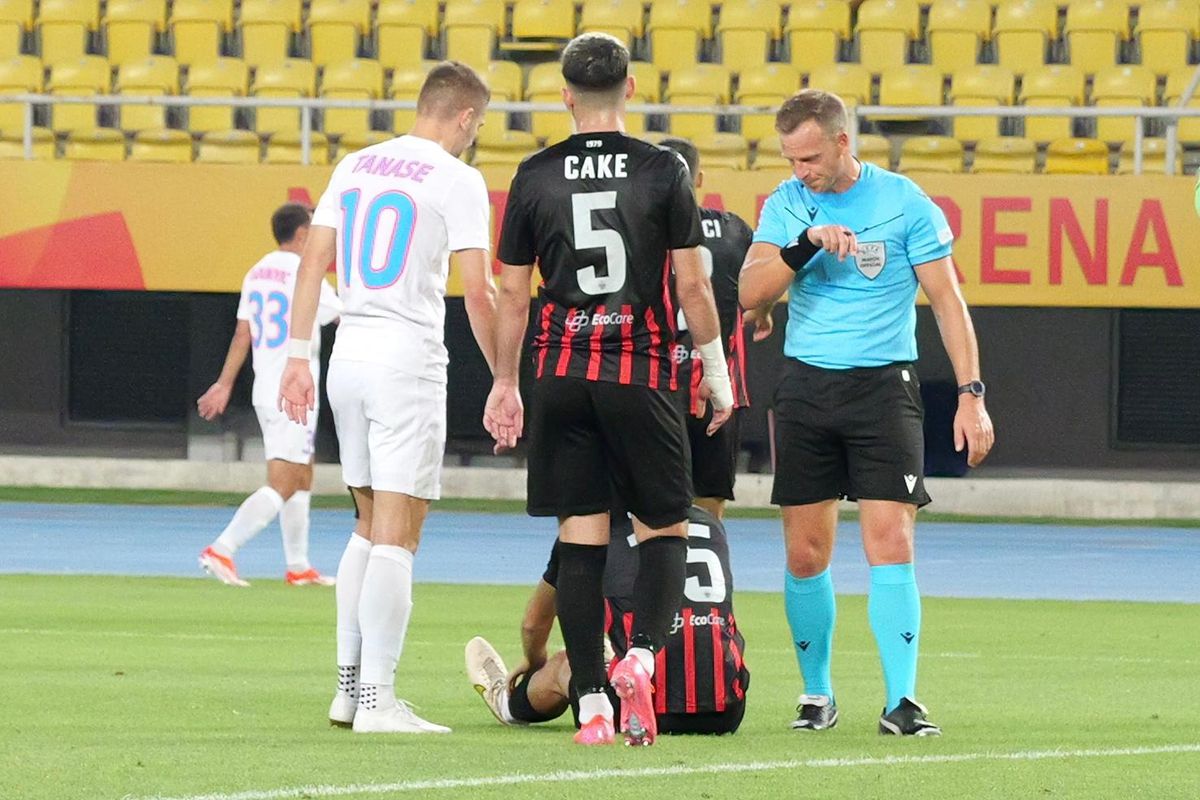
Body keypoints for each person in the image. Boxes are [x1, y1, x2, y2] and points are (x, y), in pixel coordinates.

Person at [482, 32, 735, 746]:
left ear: (564, 95)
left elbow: (512, 292)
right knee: (665, 529)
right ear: (630, 90)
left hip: (560, 375)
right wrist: (716, 377)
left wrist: (506, 381)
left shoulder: (533, 174)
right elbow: (691, 284)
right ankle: (643, 661)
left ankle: (590, 702)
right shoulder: (662, 171)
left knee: (581, 539)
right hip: (641, 372)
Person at [737, 89, 995, 737]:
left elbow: (947, 301)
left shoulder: (904, 202)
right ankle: (816, 695)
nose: (802, 171)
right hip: (805, 389)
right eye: (792, 159)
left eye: (811, 157)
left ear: (842, 142)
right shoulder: (786, 203)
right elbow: (748, 293)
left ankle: (902, 701)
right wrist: (803, 245)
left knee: (892, 542)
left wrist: (972, 393)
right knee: (805, 553)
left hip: (885, 390)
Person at [278, 62, 498, 734]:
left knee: (366, 527)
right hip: (406, 361)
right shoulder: (458, 179)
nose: (474, 137)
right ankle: (379, 699)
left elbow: (312, 264)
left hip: (348, 353)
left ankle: (348, 690)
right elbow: (478, 290)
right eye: (478, 126)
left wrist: (296, 356)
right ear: (463, 116)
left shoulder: (356, 164)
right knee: (399, 537)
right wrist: (505, 377)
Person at [465, 504, 749, 736]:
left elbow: (534, 623)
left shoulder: (591, 528)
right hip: (726, 710)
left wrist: (534, 662)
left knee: (565, 662)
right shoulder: (710, 523)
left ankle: (509, 704)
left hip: (634, 710)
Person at [196, 202, 341, 588]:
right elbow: (342, 314)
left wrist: (225, 383)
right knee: (285, 479)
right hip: (293, 389)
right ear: (302, 234)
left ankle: (298, 565)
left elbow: (243, 333)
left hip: (267, 385)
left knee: (302, 471)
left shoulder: (257, 270)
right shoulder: (303, 271)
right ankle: (222, 548)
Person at [658, 137, 753, 521]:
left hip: (653, 385)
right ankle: (704, 577)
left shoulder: (638, 232)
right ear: (698, 179)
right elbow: (760, 287)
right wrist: (762, 311)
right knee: (709, 504)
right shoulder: (734, 230)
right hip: (720, 385)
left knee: (643, 504)